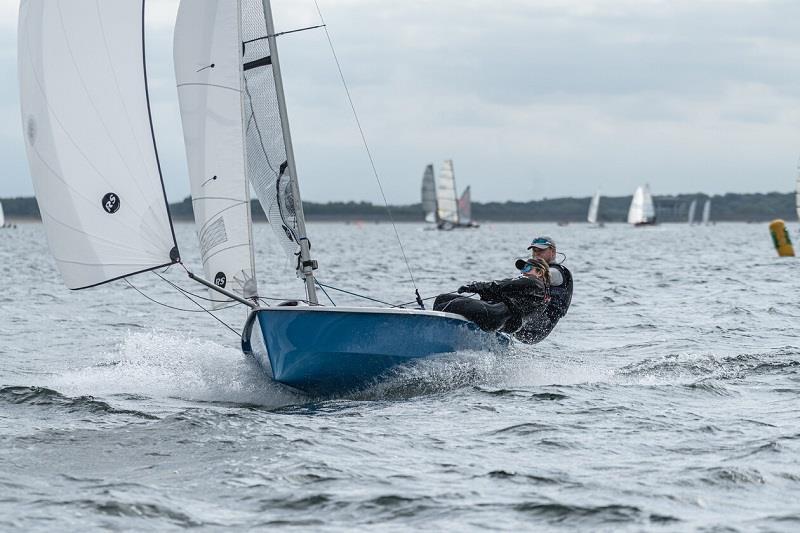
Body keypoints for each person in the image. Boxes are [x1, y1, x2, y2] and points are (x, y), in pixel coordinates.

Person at [432, 257, 550, 338]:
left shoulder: (535, 283)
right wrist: (482, 290)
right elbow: (499, 293)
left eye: (528, 268)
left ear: (540, 272)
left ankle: (431, 331)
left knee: (449, 305)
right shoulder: (532, 290)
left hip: (494, 315)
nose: (523, 272)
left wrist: (475, 286)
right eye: (522, 269)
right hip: (496, 316)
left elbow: (503, 285)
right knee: (442, 298)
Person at [515, 236, 573, 343]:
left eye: (541, 250)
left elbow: (540, 277)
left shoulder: (556, 272)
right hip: (528, 322)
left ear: (553, 251)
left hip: (537, 327)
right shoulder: (535, 271)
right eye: (534, 250)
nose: (537, 254)